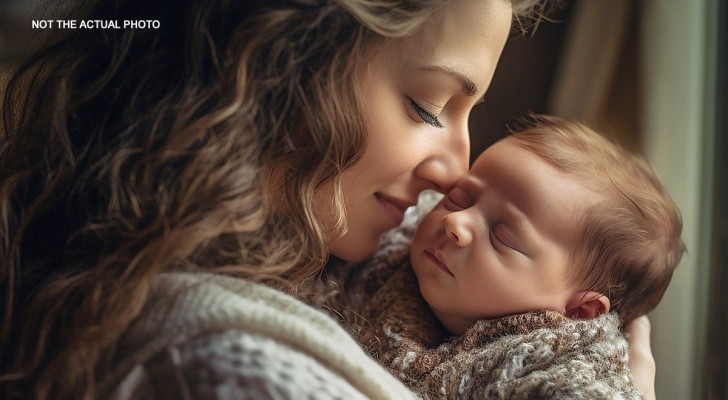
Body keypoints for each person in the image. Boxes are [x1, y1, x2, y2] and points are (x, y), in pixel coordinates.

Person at [0, 1, 657, 399]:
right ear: (280, 69)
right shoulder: (219, 358)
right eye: (425, 104)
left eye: (466, 111)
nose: (456, 171)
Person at [322, 115, 683, 398]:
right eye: (461, 197)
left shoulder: (562, 362)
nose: (455, 222)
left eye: (502, 236)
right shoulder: (400, 233)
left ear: (578, 313)